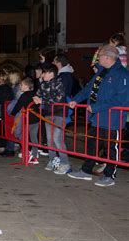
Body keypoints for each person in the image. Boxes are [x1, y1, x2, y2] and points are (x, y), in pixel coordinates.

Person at [67, 45, 129, 187]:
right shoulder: (101, 72)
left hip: (112, 119)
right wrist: (76, 99)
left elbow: (121, 100)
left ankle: (109, 176)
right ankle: (86, 171)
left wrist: (96, 107)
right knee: (92, 145)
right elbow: (89, 88)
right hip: (97, 118)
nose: (97, 58)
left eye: (99, 56)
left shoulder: (123, 75)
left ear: (107, 57)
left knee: (111, 149)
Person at [32, 64, 70, 174]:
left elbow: (58, 98)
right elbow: (38, 94)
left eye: (44, 72)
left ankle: (65, 163)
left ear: (51, 73)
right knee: (49, 139)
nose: (42, 75)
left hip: (59, 113)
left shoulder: (59, 83)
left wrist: (42, 101)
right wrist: (36, 98)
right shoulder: (43, 84)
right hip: (48, 113)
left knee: (57, 138)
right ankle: (52, 160)